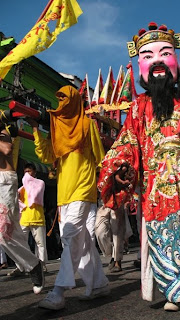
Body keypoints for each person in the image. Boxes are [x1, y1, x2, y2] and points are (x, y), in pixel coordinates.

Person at [98, 22, 180, 312]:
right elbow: (127, 142)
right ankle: (178, 291)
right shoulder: (137, 108)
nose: (156, 60)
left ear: (177, 59)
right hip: (155, 186)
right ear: (140, 65)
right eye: (147, 55)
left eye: (164, 52)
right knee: (164, 237)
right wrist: (121, 166)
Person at [27, 85, 109, 310]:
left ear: (74, 101)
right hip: (64, 194)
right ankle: (99, 284)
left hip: (83, 190)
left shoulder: (87, 125)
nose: (60, 102)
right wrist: (35, 130)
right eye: (58, 98)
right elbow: (46, 155)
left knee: (71, 238)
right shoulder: (58, 129)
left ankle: (58, 292)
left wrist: (106, 186)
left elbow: (100, 158)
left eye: (64, 98)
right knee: (79, 241)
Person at [0, 123, 44, 294]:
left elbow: (7, 149)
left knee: (4, 234)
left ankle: (34, 265)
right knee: (15, 232)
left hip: (4, 182)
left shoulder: (2, 130)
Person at [95, 204, 126, 272]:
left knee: (117, 231)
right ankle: (113, 254)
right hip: (103, 203)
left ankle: (117, 260)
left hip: (117, 201)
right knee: (100, 232)